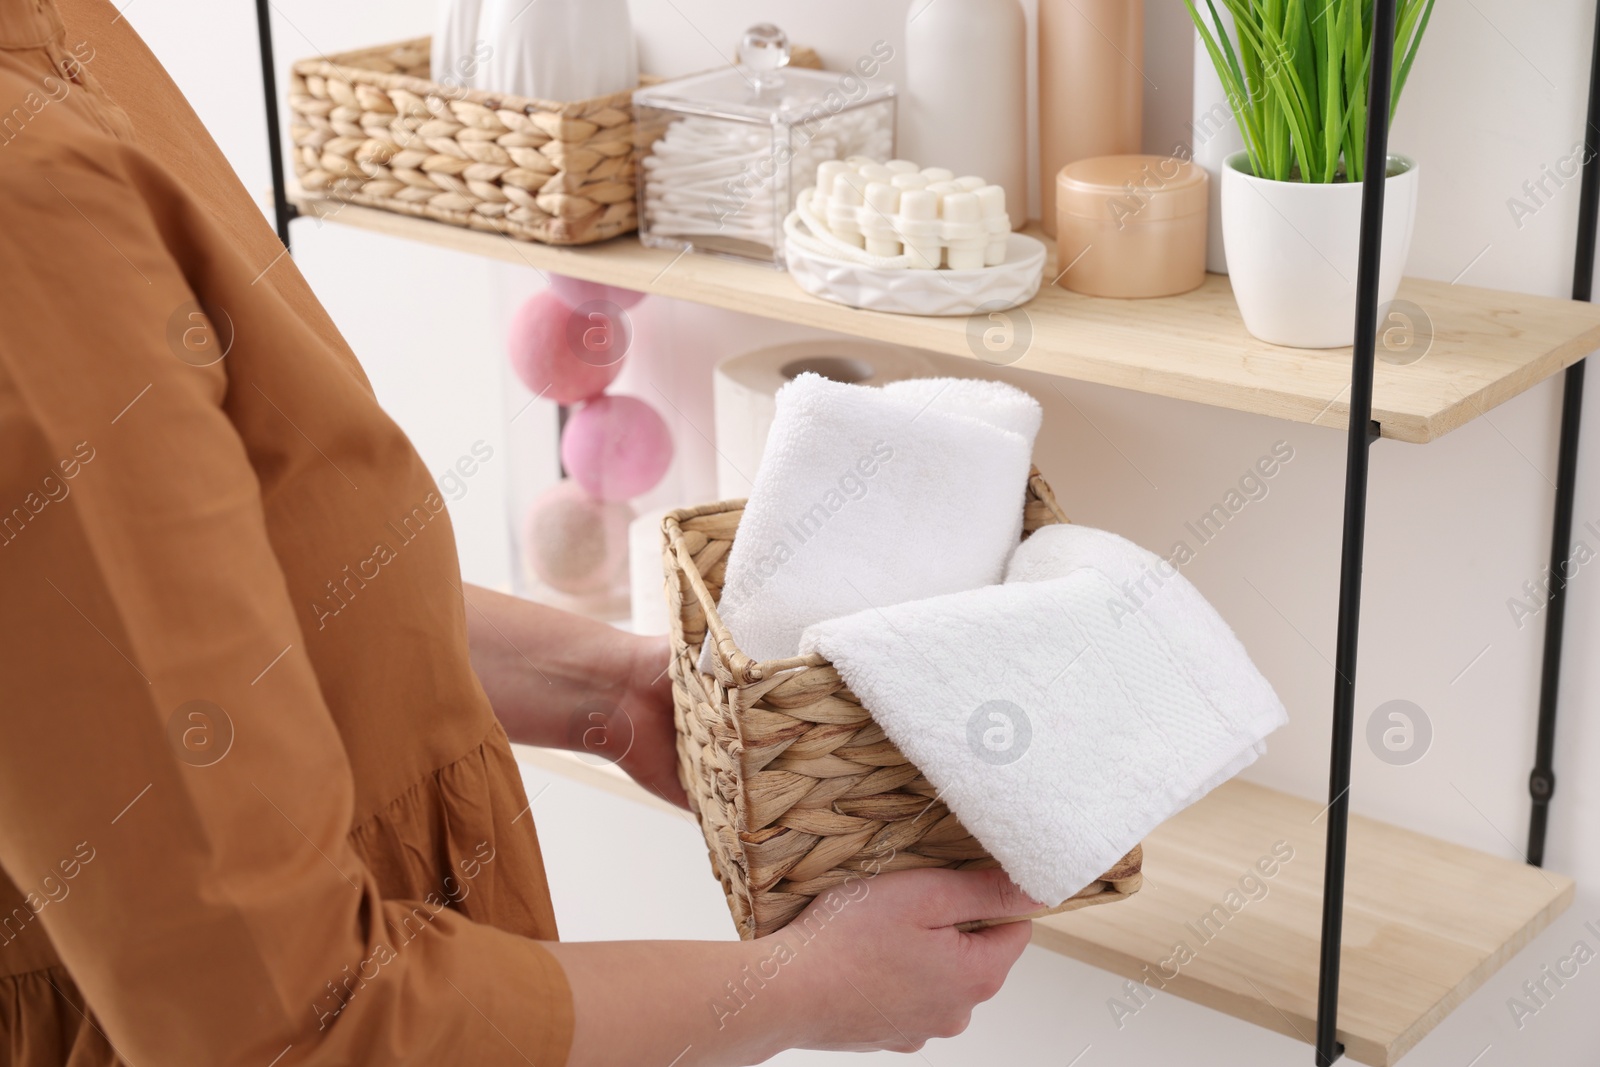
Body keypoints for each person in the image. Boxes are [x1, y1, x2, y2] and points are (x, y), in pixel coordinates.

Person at [0, 1, 1036, 1063]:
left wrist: (611, 691)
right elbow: (296, 1030)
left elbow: (221, 600)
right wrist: (806, 988)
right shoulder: (24, 211)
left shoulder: (70, 37)